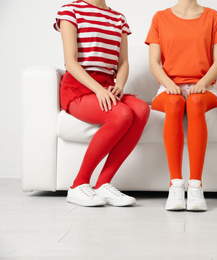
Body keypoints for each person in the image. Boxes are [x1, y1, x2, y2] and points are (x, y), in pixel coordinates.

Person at [54, 0, 150, 207]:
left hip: (108, 86)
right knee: (122, 114)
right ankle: (78, 185)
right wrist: (97, 89)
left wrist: (120, 86)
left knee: (141, 109)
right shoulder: (70, 10)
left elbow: (123, 62)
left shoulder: (119, 19)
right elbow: (71, 61)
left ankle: (103, 183)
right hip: (79, 87)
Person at [145, 0, 217, 211]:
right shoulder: (160, 18)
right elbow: (154, 63)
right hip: (168, 88)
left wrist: (201, 84)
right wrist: (169, 85)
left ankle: (195, 186)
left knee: (195, 101)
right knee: (174, 102)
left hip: (205, 89)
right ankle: (175, 185)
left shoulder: (213, 17)